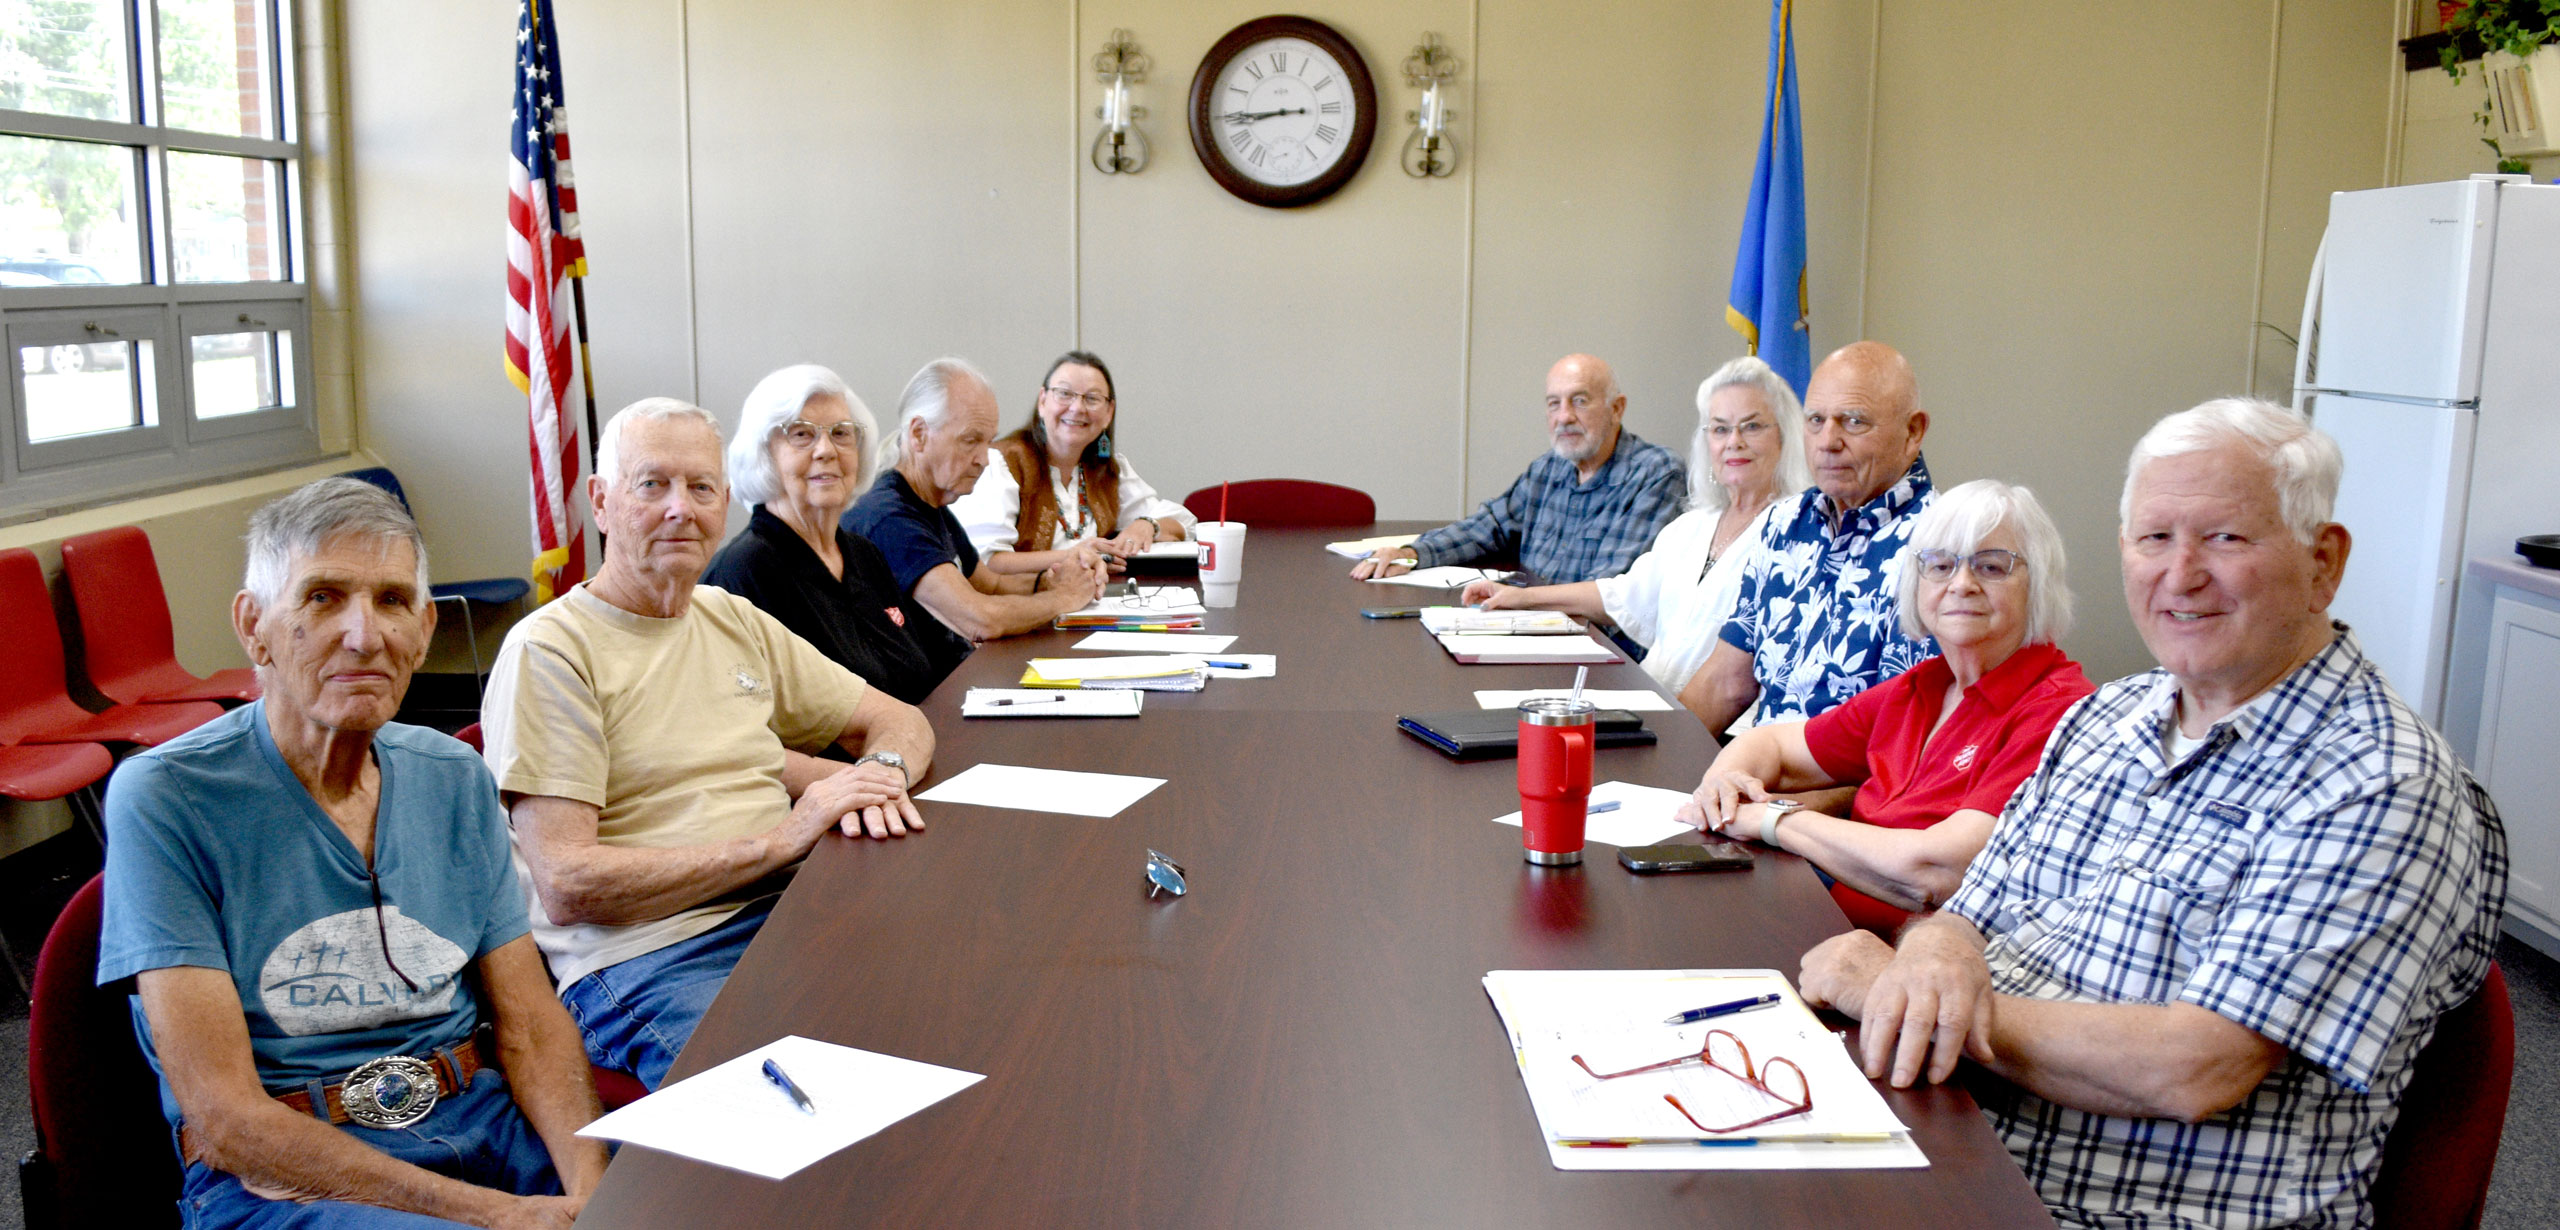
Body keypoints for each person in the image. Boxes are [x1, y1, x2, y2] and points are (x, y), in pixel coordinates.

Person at [1797, 398, 2507, 1228]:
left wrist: (1904, 990)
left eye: (2225, 538)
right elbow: (1964, 916)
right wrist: (1935, 957)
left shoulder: (2379, 782)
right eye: (2153, 539)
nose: (2181, 574)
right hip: (1956, 1148)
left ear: (2324, 563)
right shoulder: (2107, 718)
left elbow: (2195, 1068)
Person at [99, 478, 608, 1228]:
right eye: (322, 598)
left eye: (393, 602)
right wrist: (495, 1216)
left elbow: (531, 1027)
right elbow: (230, 1118)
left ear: (425, 629)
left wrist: (598, 1197)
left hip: (482, 1124)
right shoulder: (166, 798)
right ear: (254, 627)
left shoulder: (452, 775)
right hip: (294, 1172)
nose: (365, 636)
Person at [482, 397, 937, 1090]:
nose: (680, 509)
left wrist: (879, 775)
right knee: (796, 1115)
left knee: (953, 1013)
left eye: (700, 488)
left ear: (724, 503)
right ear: (601, 503)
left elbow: (901, 721)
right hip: (656, 952)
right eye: (652, 485)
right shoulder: (552, 650)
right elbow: (568, 883)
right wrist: (781, 842)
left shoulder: (730, 618)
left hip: (790, 908)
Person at [1675, 480, 2093, 935]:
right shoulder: (1922, 687)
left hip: (1921, 974)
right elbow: (1770, 742)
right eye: (1941, 565)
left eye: (1992, 567)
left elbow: (1935, 872)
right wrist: (1724, 785)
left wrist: (1772, 820)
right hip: (1827, 924)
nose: (1962, 584)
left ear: (2039, 586)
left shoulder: (2058, 710)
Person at [1457, 355, 1810, 694]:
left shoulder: (1797, 531)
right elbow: (1623, 596)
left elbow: (1735, 687)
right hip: (1650, 698)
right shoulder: (1693, 526)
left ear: (1785, 436)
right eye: (1720, 428)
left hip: (1722, 731)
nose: (1734, 441)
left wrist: (1667, 731)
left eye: (1752, 426)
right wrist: (1521, 598)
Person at [1681, 341, 1936, 733]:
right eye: (1815, 420)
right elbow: (1726, 682)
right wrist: (1650, 753)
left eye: (1853, 421)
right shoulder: (1784, 522)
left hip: (1841, 789)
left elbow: (1905, 744)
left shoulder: (1941, 549)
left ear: (1913, 432)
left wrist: (1771, 794)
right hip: (1753, 773)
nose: (1827, 441)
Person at [844, 357, 1107, 679]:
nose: (983, 460)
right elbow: (980, 618)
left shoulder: (933, 504)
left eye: (987, 441)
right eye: (970, 441)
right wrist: (1063, 597)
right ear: (919, 434)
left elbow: (991, 583)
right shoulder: (890, 519)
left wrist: (1052, 578)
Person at [703, 364, 944, 704]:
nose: (826, 450)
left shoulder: (864, 555)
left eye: (841, 433)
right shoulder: (743, 574)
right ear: (764, 455)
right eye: (801, 434)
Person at [1352, 353, 1686, 584]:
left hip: (1599, 651)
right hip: (1533, 625)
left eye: (1580, 401)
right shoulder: (1549, 469)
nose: (1564, 416)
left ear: (1617, 408)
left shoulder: (1656, 474)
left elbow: (1610, 591)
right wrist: (1411, 553)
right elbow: (1488, 526)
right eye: (1553, 403)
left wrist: (1516, 603)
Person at [950, 350, 1195, 580]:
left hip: (1093, 606)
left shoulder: (1107, 470)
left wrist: (1147, 525)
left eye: (1092, 398)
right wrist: (1075, 555)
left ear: (1109, 412)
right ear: (1042, 401)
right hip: (1018, 611)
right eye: (1064, 394)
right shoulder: (1002, 464)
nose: (1077, 408)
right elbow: (986, 562)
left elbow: (1182, 521)